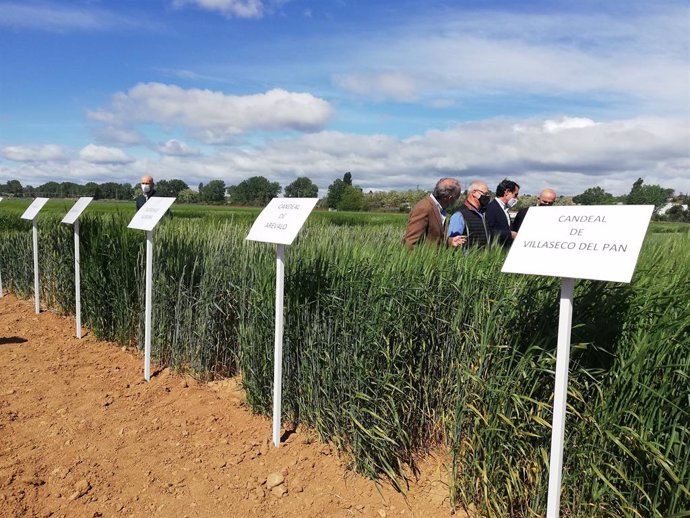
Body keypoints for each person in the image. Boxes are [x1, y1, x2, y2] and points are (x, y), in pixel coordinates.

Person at [403, 178, 462, 249]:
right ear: (449, 198)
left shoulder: (439, 209)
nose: (456, 202)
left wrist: (450, 241)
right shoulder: (424, 208)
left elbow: (433, 239)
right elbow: (410, 243)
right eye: (456, 198)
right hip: (424, 259)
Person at [449, 180, 491, 250]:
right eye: (485, 194)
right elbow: (453, 242)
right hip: (467, 260)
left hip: (483, 259)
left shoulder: (482, 214)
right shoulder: (459, 215)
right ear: (474, 193)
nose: (487, 197)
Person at [486, 178, 520, 248]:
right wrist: (510, 234)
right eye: (515, 195)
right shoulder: (491, 208)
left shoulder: (504, 208)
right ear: (507, 192)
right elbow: (488, 231)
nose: (516, 198)